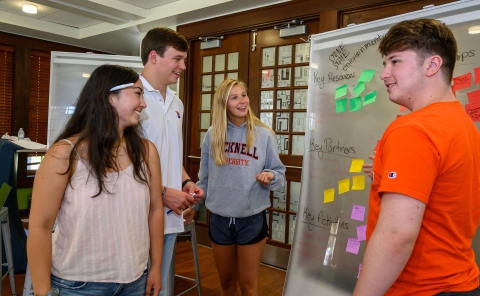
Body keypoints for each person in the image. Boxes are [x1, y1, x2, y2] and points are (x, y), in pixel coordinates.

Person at [353, 18, 480, 295]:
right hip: (461, 282)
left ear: (432, 65)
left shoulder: (413, 129)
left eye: (395, 62)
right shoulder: (463, 124)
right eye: (384, 63)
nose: (384, 74)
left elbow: (397, 237)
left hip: (419, 288)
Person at [27, 64, 164, 296]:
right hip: (76, 286)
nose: (143, 103)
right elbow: (40, 227)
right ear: (111, 97)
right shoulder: (64, 154)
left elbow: (155, 210)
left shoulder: (146, 152)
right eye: (138, 94)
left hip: (134, 281)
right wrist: (43, 292)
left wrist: (156, 267)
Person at [183, 79, 286, 296]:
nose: (242, 101)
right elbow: (205, 178)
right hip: (219, 218)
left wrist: (270, 176)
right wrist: (195, 205)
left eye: (244, 95)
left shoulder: (264, 134)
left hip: (251, 218)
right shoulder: (213, 134)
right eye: (235, 97)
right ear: (223, 104)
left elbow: (280, 174)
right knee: (226, 283)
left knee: (248, 286)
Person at [139, 27, 204, 296]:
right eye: (177, 59)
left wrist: (186, 182)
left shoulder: (177, 102)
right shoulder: (131, 97)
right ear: (154, 56)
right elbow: (124, 164)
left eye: (184, 60)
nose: (183, 67)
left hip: (169, 214)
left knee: (159, 287)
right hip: (138, 216)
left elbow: (171, 154)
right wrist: (164, 193)